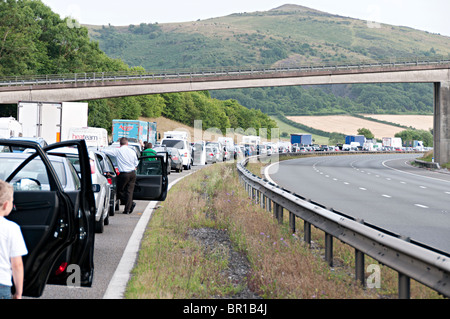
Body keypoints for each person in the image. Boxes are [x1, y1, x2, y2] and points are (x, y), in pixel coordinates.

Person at [0, 180, 28, 299]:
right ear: (6, 204)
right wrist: (18, 292)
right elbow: (17, 265)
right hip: (2, 284)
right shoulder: (12, 228)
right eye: (12, 201)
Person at [102, 138, 139, 214]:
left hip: (124, 174)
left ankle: (130, 204)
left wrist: (100, 149)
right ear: (127, 143)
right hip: (132, 173)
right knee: (129, 191)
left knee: (119, 190)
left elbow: (107, 152)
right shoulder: (132, 151)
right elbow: (136, 163)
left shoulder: (118, 151)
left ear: (120, 144)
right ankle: (127, 209)